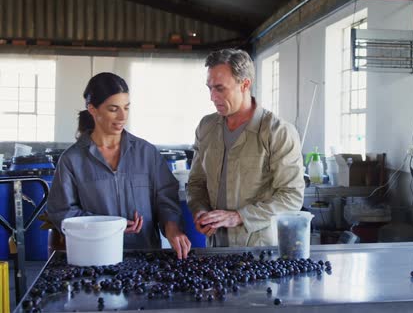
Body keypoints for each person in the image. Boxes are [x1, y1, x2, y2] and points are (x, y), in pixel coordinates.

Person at [47, 72, 191, 259]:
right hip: (95, 258)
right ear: (93, 109)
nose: (123, 116)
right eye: (113, 109)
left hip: (145, 256)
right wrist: (109, 226)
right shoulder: (72, 160)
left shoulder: (146, 153)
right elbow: (61, 211)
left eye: (126, 107)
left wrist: (172, 228)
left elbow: (166, 198)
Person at [187, 48, 305, 247]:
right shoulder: (206, 128)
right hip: (216, 247)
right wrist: (200, 210)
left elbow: (291, 196)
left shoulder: (277, 132)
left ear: (245, 84)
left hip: (260, 250)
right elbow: (197, 183)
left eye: (220, 88)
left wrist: (239, 217)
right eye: (209, 88)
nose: (212, 97)